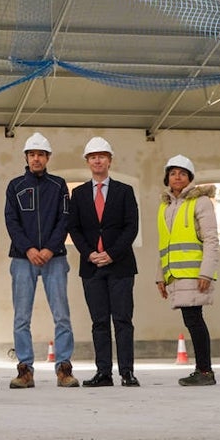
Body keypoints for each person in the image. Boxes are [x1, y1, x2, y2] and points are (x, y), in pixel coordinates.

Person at [4, 132, 79, 389]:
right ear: (26, 157)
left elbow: (64, 221)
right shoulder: (15, 186)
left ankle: (64, 368)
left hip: (54, 258)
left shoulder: (59, 186)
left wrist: (49, 248)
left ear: (48, 158)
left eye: (41, 155)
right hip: (23, 259)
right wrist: (28, 249)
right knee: (21, 317)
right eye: (32, 154)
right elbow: (11, 222)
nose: (36, 159)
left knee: (62, 316)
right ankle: (25, 369)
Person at [67, 136, 140, 387]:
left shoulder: (125, 191)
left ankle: (127, 372)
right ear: (87, 162)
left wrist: (112, 253)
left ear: (109, 160)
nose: (97, 160)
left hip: (120, 266)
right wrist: (89, 253)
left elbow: (131, 227)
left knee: (122, 320)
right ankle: (103, 373)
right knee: (99, 322)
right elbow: (74, 229)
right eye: (93, 157)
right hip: (91, 267)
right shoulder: (77, 194)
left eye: (102, 156)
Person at [156, 155, 220, 387]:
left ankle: (204, 371)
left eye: (183, 173)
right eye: (173, 173)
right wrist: (160, 276)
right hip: (175, 275)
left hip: (194, 274)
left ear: (190, 178)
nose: (177, 177)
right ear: (167, 178)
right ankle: (203, 370)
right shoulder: (166, 206)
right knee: (192, 320)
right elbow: (165, 244)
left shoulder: (200, 202)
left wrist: (206, 272)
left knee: (194, 320)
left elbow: (211, 239)